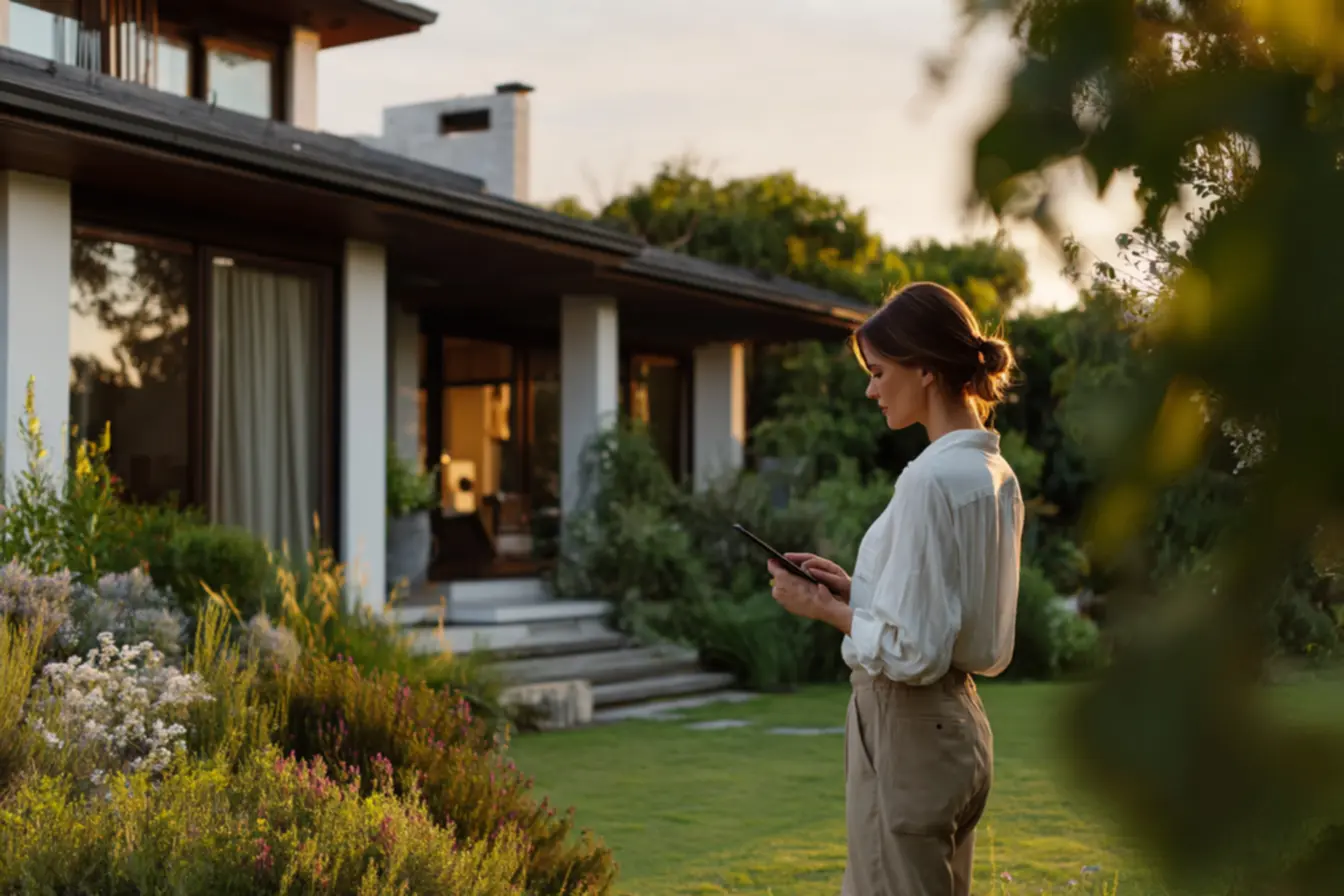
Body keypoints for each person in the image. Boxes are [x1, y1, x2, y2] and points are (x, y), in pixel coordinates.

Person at [765, 281, 1025, 896]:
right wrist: (856, 594)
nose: (871, 389)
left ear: (925, 369)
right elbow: (942, 615)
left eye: (879, 372)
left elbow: (916, 650)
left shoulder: (929, 480)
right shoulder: (993, 473)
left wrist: (826, 611)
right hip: (958, 733)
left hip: (906, 726)